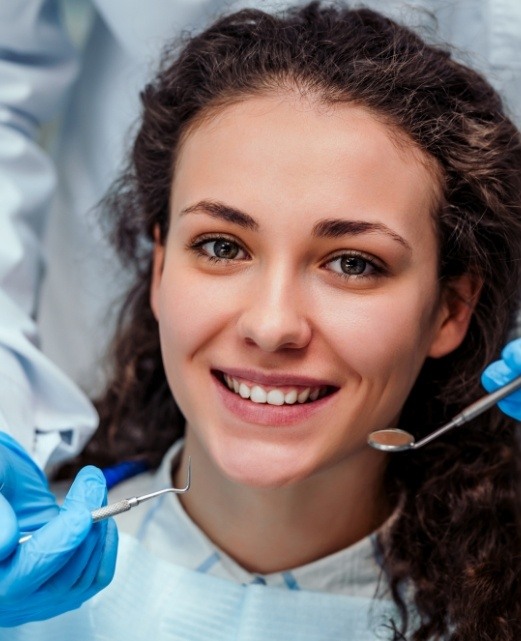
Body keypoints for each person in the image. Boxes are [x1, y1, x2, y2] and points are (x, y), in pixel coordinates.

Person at [2, 2, 521, 639]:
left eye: (354, 263)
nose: (272, 326)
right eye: (221, 246)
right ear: (160, 266)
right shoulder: (24, 580)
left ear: (451, 309)